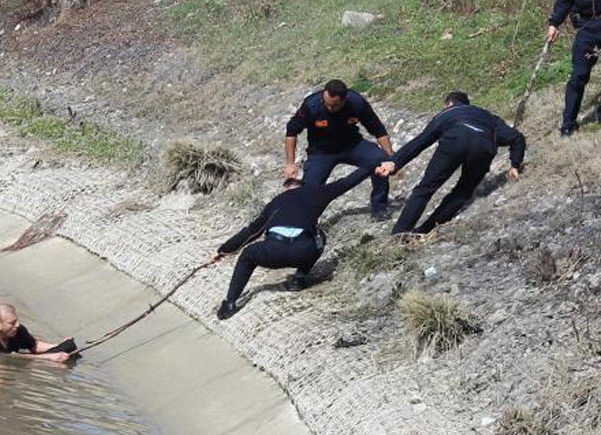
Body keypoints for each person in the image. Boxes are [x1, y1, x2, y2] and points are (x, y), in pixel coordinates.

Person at [211, 167, 375, 320]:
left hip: (273, 253)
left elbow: (251, 232)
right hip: (303, 251)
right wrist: (373, 165)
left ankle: (230, 303)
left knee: (247, 255)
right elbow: (347, 181)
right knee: (320, 237)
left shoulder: (277, 201)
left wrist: (224, 250)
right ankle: (299, 277)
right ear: (302, 187)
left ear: (286, 188)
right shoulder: (317, 193)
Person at [375, 91, 526, 235]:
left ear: (449, 103)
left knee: (425, 189)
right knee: (463, 192)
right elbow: (517, 138)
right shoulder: (488, 116)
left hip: (455, 140)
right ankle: (424, 231)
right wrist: (515, 164)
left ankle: (399, 234)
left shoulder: (447, 113)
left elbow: (421, 141)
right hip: (484, 146)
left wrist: (395, 162)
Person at [284, 79, 394, 221]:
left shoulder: (357, 102)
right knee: (310, 187)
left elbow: (378, 129)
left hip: (353, 145)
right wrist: (290, 163)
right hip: (321, 152)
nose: (329, 108)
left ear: (344, 100)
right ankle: (306, 221)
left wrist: (391, 158)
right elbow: (292, 131)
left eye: (334, 106)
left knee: (380, 160)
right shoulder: (311, 105)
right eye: (326, 104)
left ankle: (379, 209)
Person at [546, 0, 601, 137]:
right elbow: (564, 2)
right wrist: (554, 24)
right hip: (587, 28)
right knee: (578, 76)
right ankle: (568, 125)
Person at [0, 303, 77, 363]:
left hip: (16, 355)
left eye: (16, 321)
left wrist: (60, 345)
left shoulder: (18, 330)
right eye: (12, 323)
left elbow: (34, 346)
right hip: (1, 363)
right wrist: (49, 357)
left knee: (69, 347)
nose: (17, 325)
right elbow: (11, 357)